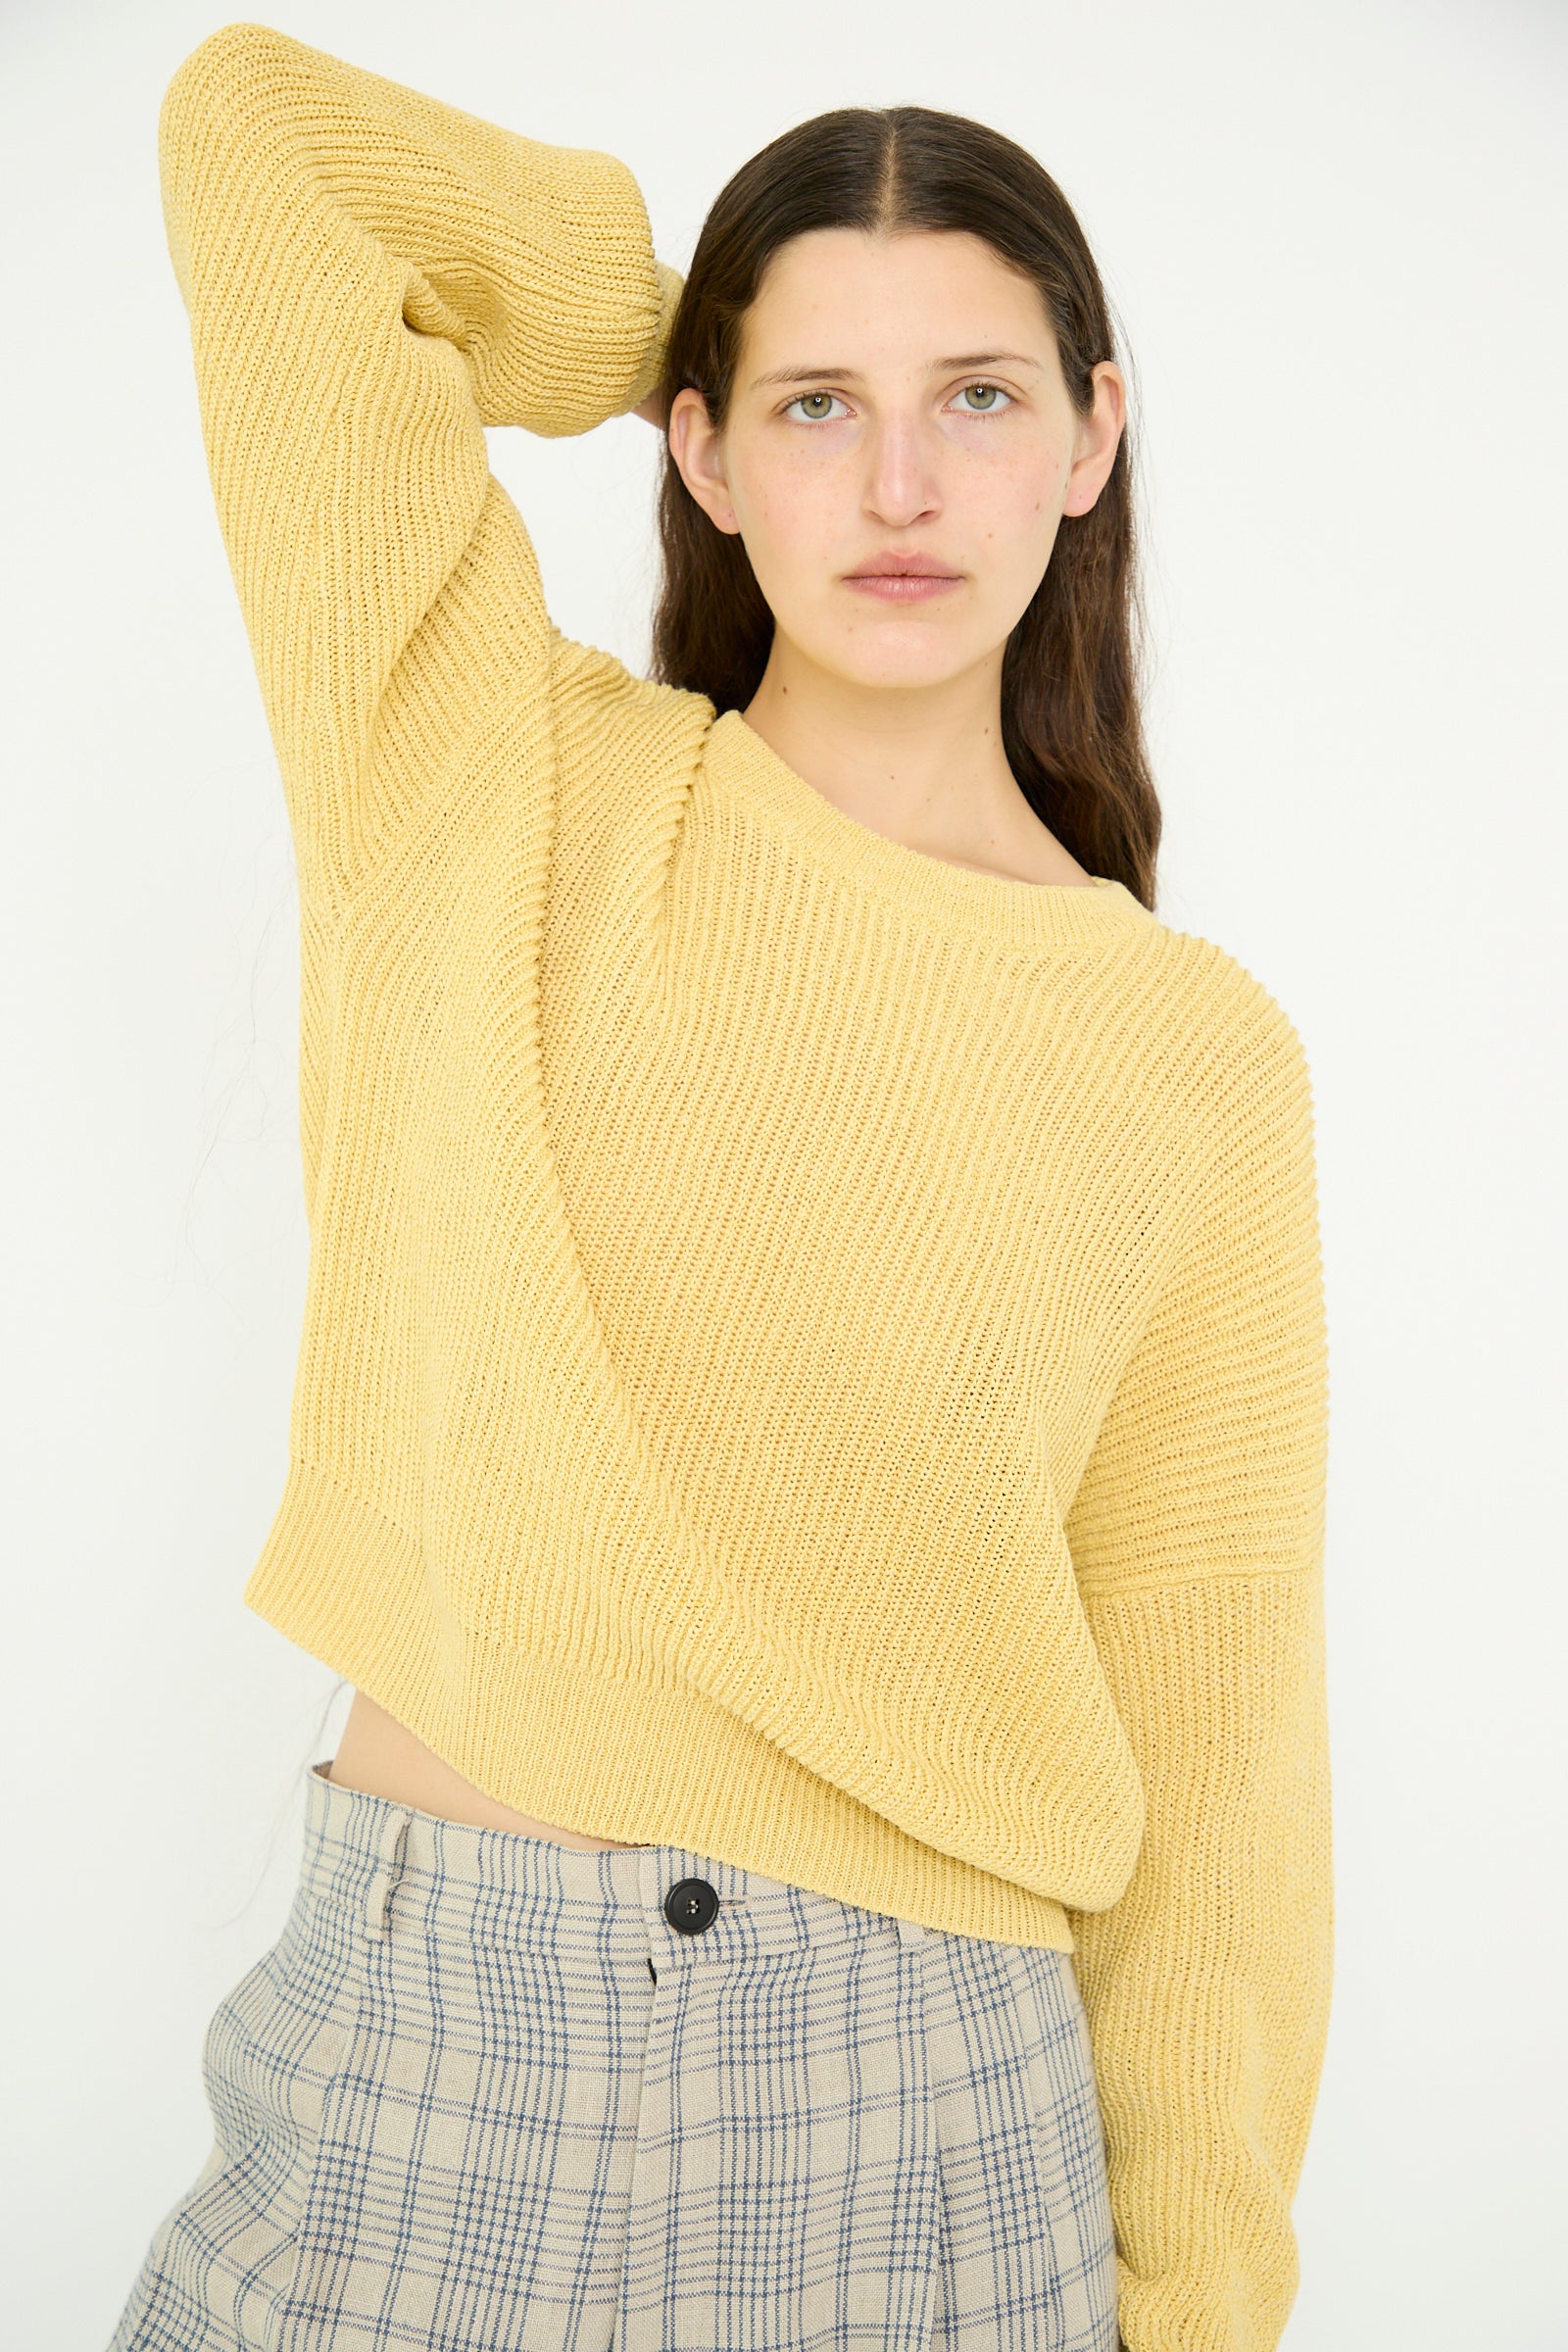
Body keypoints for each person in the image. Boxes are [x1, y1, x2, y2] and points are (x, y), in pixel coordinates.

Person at [110, 21, 1332, 2352]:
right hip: (420, 2081)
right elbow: (259, 151)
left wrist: (1197, 2314)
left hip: (918, 2133)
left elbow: (1219, 1789)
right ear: (699, 451)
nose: (897, 478)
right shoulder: (476, 765)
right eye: (809, 406)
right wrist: (667, 302)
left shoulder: (1186, 1058)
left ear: (1091, 439)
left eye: (976, 395)